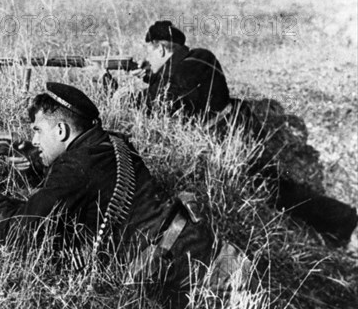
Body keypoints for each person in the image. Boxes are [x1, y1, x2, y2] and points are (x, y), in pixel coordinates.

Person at [0, 82, 229, 309]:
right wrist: (35, 172)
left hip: (192, 278)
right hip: (209, 250)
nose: (34, 141)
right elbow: (87, 194)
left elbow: (25, 230)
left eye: (39, 131)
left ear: (62, 130)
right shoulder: (113, 144)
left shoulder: (76, 166)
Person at [137, 20, 358, 246]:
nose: (148, 61)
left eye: (149, 54)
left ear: (161, 49)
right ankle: (344, 224)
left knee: (277, 193)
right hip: (239, 134)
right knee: (280, 192)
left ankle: (347, 224)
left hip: (234, 147)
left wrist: (127, 90)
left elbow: (158, 102)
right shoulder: (199, 57)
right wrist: (151, 74)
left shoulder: (181, 73)